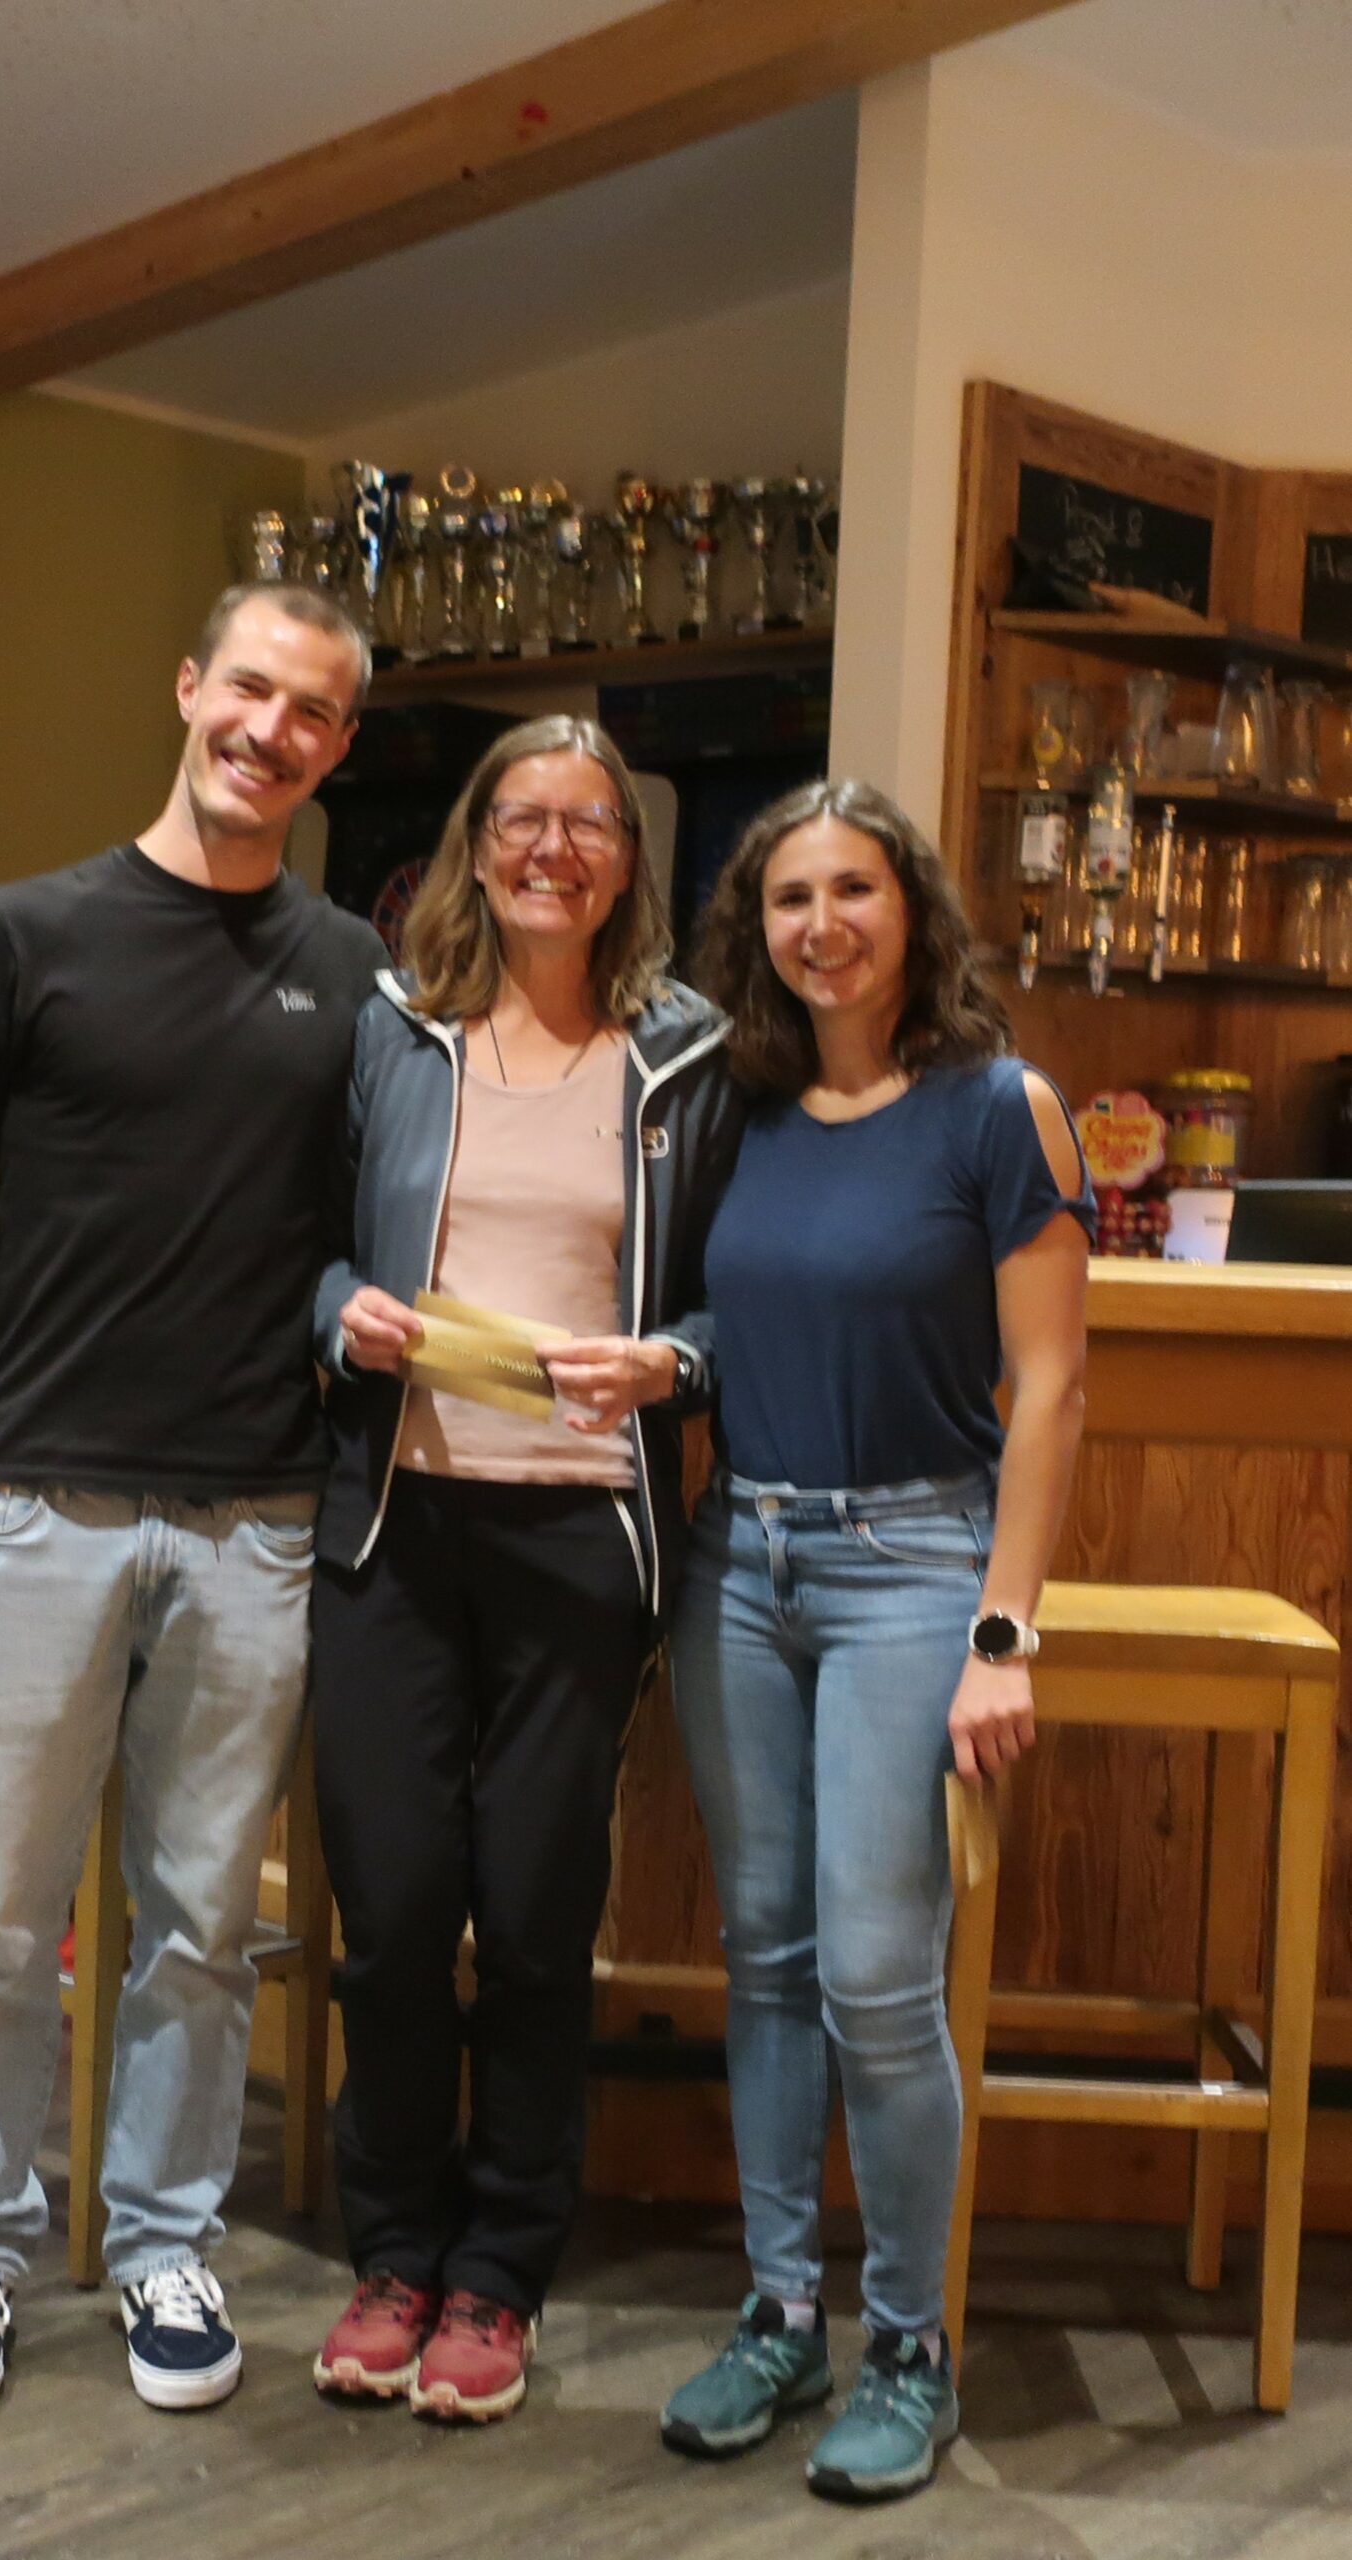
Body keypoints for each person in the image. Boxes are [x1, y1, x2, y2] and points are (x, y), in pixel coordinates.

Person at [0, 583, 385, 2418]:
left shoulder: (355, 978)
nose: (269, 732)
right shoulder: (27, 932)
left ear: (338, 747)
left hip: (258, 1520)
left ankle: (165, 2243)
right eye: (249, 688)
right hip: (33, 1505)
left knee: (200, 1926)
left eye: (310, 712)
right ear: (187, 688)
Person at [659, 778, 1093, 2499]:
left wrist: (1003, 1628)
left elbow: (1050, 1387)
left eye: (852, 889)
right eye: (788, 897)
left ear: (911, 908)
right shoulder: (738, 1106)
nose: (820, 924)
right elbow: (704, 1314)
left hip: (913, 1565)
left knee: (871, 1978)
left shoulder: (1000, 1108)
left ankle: (910, 2347)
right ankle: (781, 2314)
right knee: (760, 1958)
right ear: (752, 926)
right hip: (736, 1560)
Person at [307, 714, 741, 2423]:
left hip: (580, 1537)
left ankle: (497, 2275)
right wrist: (336, 1315)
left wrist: (671, 1363)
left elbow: (740, 1300)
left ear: (628, 860)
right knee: (396, 1910)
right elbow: (304, 1244)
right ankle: (392, 2254)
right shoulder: (391, 1031)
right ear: (474, 845)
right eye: (520, 817)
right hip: (392, 1530)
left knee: (539, 1920)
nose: (551, 847)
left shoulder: (689, 1059)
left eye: (587, 822)